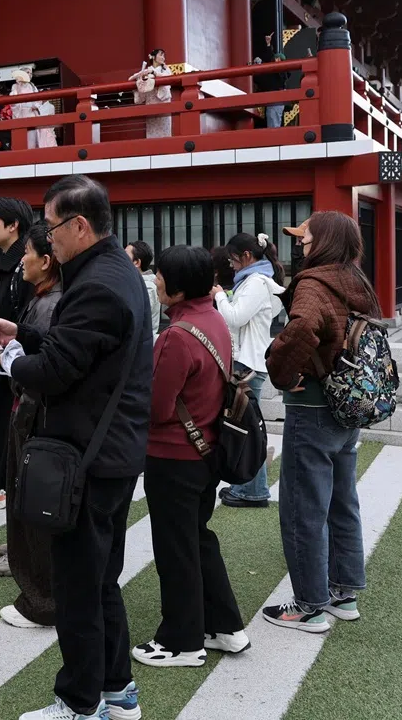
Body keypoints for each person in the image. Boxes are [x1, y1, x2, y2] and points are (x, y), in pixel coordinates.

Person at [0, 175, 152, 720]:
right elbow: (81, 349)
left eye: (50, 228)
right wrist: (23, 335)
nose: (46, 240)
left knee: (77, 587)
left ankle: (80, 702)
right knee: (100, 580)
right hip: (112, 450)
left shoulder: (95, 284)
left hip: (89, 456)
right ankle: (117, 689)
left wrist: (1, 354)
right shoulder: (114, 272)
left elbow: (53, 373)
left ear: (79, 225)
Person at [131, 244, 248, 669]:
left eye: (161, 275)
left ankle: (181, 641)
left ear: (178, 288)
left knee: (176, 548)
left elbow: (158, 408)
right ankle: (224, 626)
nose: (156, 280)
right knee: (197, 539)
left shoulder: (175, 337)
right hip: (205, 451)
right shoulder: (213, 318)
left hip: (173, 455)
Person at [263, 211, 379, 633]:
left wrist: (281, 372)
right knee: (342, 500)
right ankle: (342, 593)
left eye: (306, 239)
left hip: (312, 406)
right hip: (348, 405)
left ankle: (309, 605)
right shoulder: (356, 280)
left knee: (303, 508)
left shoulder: (313, 282)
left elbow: (304, 328)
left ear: (324, 241)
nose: (301, 245)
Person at [0, 222, 62, 628]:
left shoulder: (53, 302)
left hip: (36, 408)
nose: (21, 264)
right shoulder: (44, 297)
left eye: (27, 256)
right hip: (30, 406)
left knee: (34, 500)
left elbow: (43, 367)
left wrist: (2, 355)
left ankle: (40, 596)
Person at [215, 232, 286, 509]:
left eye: (232, 260)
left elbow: (235, 316)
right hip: (252, 362)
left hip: (249, 365)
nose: (231, 265)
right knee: (246, 427)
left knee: (247, 429)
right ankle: (247, 487)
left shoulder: (255, 282)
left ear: (246, 256)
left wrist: (220, 297)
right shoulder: (259, 280)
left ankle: (254, 491)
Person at [0, 198, 35, 516]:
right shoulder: (8, 265)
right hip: (3, 364)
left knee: (14, 451)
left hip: (14, 371)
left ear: (13, 225)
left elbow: (27, 325)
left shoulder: (22, 267)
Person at [9, 67, 57, 149]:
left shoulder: (32, 86)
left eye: (31, 73)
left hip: (31, 112)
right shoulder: (15, 86)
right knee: (22, 137)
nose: (29, 75)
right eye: (27, 72)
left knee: (33, 137)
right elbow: (13, 101)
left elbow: (38, 100)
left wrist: (35, 105)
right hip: (21, 113)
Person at [130, 48, 173, 139]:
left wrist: (153, 73)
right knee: (152, 132)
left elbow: (168, 78)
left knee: (165, 133)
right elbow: (131, 79)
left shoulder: (166, 70)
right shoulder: (147, 70)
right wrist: (141, 76)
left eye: (164, 55)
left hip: (163, 104)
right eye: (161, 55)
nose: (163, 58)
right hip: (151, 103)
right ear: (153, 57)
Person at [126, 240, 161, 339]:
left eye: (125, 256)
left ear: (136, 262)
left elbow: (135, 320)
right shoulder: (136, 283)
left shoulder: (148, 287)